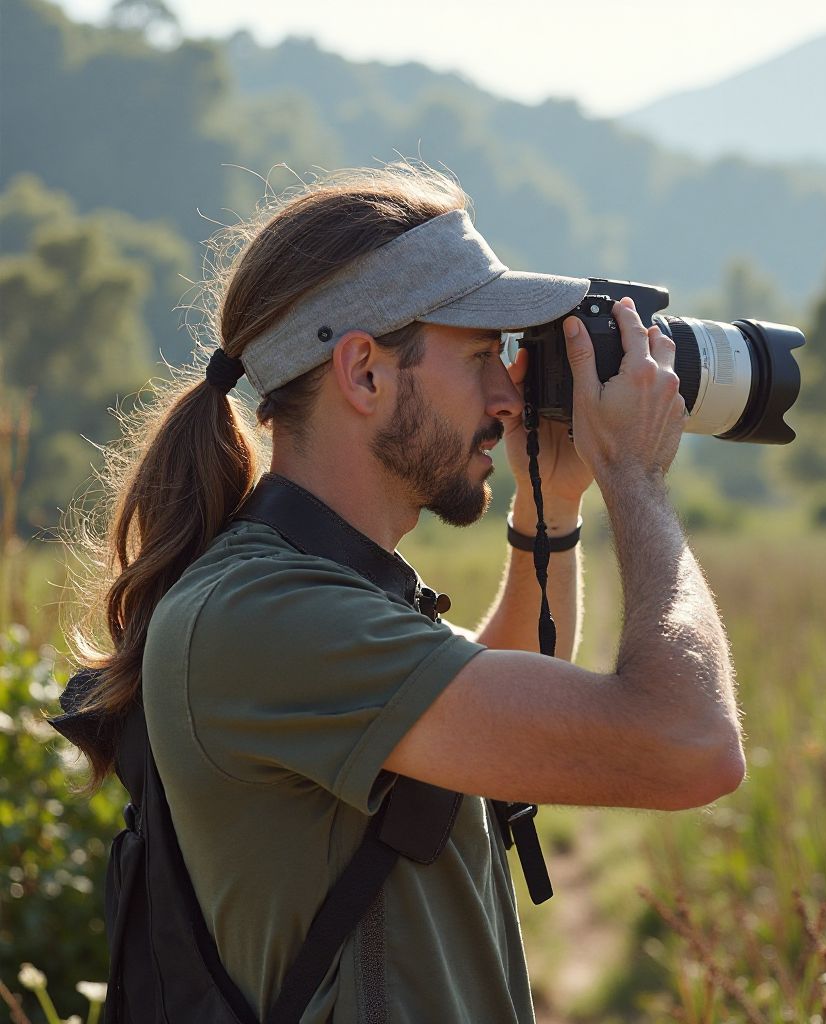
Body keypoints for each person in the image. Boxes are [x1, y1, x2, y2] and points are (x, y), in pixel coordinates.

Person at [65, 163, 744, 1023]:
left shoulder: (310, 590)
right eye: (476, 354)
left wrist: (552, 506)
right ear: (364, 373)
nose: (507, 397)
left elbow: (492, 713)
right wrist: (638, 483)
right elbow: (690, 745)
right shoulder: (265, 616)